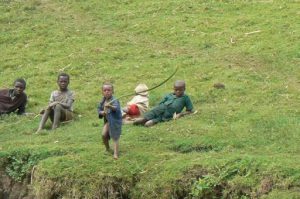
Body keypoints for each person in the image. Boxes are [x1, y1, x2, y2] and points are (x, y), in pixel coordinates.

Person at [98, 82, 122, 159]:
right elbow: (99, 109)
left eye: (109, 90)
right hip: (108, 121)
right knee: (104, 135)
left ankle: (116, 153)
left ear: (112, 91)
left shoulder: (114, 100)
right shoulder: (102, 101)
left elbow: (116, 108)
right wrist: (102, 112)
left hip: (114, 121)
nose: (107, 92)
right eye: (105, 90)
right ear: (102, 92)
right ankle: (107, 148)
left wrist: (110, 106)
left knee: (115, 136)